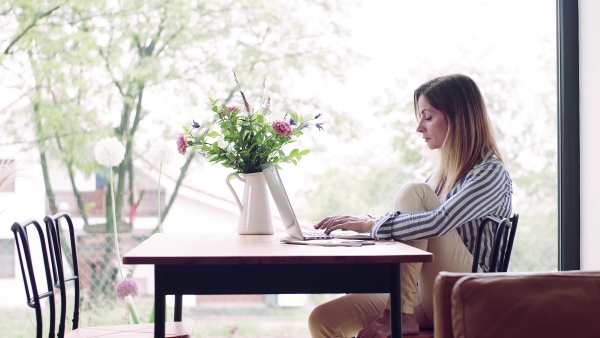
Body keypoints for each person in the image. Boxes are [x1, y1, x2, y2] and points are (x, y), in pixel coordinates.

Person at [308, 74, 513, 337]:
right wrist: (362, 222)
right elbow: (413, 221)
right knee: (323, 319)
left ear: (459, 118)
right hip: (426, 293)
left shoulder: (490, 173)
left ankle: (400, 314)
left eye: (427, 117)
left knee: (413, 191)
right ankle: (401, 311)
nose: (419, 127)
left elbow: (437, 222)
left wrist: (372, 225)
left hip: (467, 296)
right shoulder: (441, 177)